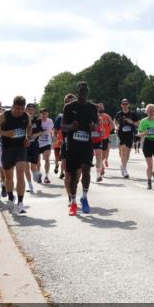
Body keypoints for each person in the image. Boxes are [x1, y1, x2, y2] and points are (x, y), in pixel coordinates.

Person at [0, 96, 32, 214]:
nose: (19, 111)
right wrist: (5, 133)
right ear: (12, 106)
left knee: (20, 173)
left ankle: (21, 203)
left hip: (20, 148)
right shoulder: (4, 116)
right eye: (17, 108)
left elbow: (29, 127)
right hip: (7, 149)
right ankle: (11, 197)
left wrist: (28, 138)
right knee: (8, 177)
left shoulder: (26, 116)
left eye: (22, 109)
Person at [62, 82, 99, 216]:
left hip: (86, 145)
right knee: (72, 175)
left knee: (86, 170)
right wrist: (71, 126)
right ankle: (73, 202)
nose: (83, 93)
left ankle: (84, 197)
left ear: (87, 92)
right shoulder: (69, 107)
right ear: (77, 92)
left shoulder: (92, 108)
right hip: (73, 145)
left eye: (85, 90)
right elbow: (63, 127)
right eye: (81, 91)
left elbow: (96, 125)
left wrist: (93, 126)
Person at [137, 104, 154, 190]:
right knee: (150, 165)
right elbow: (139, 133)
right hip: (147, 143)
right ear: (146, 112)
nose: (151, 112)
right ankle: (149, 181)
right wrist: (144, 133)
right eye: (149, 111)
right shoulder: (143, 121)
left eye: (152, 110)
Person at [114, 99, 139, 178]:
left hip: (130, 134)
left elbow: (138, 123)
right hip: (121, 134)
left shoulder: (133, 114)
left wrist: (131, 122)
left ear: (128, 105)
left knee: (127, 153)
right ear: (121, 105)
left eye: (126, 104)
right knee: (124, 150)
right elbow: (115, 122)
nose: (125, 105)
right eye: (123, 104)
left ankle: (123, 165)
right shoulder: (119, 114)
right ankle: (124, 169)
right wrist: (116, 127)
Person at [23, 103, 44, 193]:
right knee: (25, 165)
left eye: (32, 109)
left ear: (35, 111)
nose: (30, 110)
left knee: (33, 165)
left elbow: (41, 131)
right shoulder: (22, 119)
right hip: (24, 145)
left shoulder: (38, 120)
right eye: (29, 109)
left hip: (34, 144)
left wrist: (35, 134)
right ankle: (30, 185)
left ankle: (37, 174)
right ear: (26, 109)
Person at [38, 107, 54, 183]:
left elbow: (48, 130)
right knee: (37, 160)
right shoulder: (37, 121)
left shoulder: (50, 121)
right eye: (42, 114)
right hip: (38, 143)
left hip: (47, 142)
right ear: (40, 114)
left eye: (45, 114)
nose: (44, 115)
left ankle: (46, 176)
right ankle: (38, 175)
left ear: (47, 114)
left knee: (47, 159)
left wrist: (40, 131)